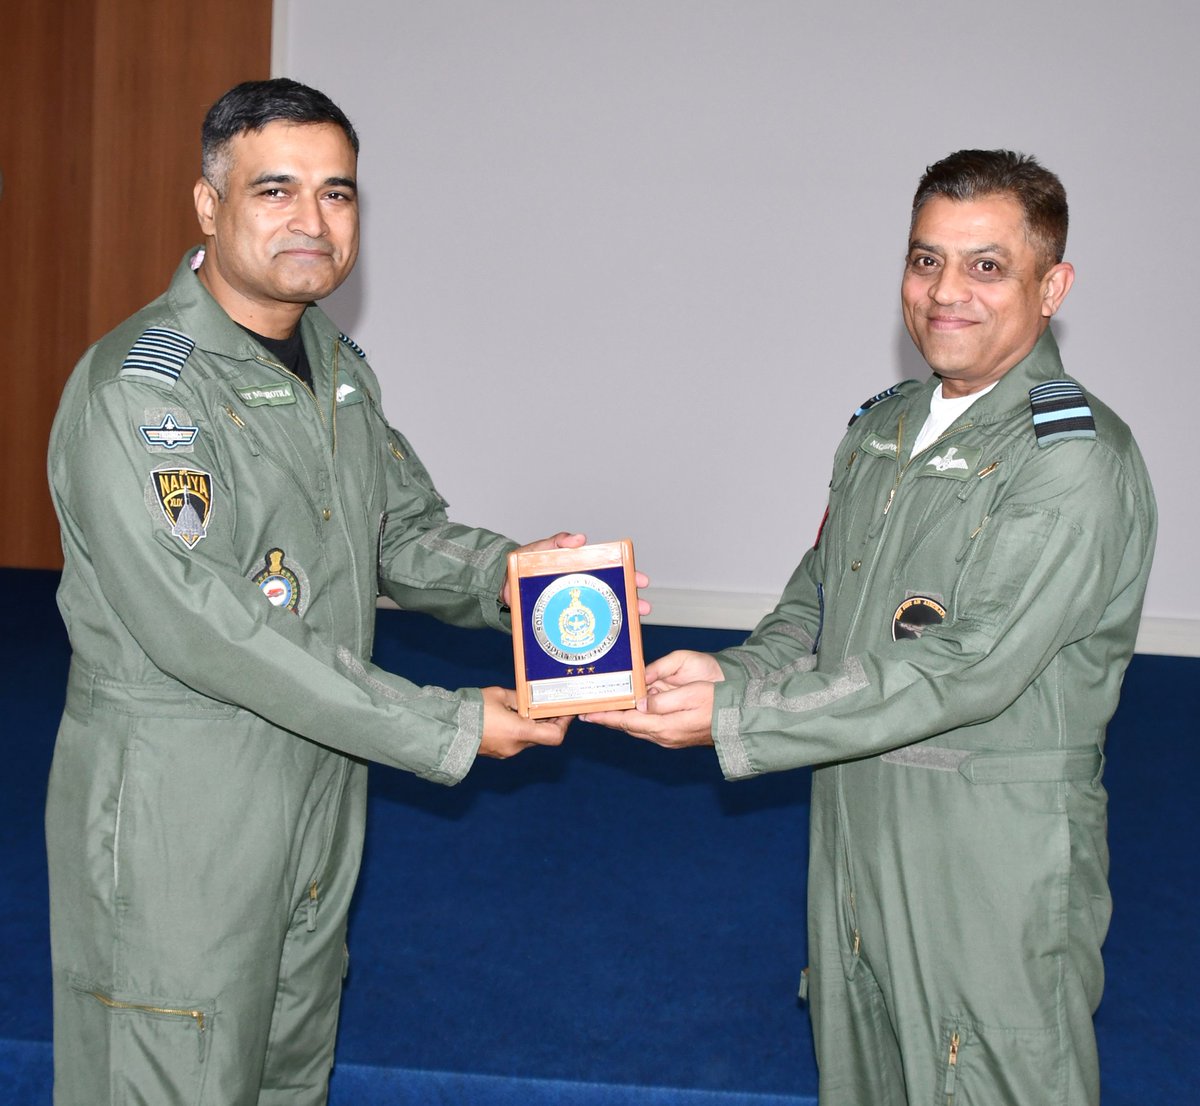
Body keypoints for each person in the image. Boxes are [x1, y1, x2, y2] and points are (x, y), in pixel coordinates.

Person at [45, 78, 625, 1105]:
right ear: (208, 205)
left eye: (339, 193)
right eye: (276, 190)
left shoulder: (334, 365)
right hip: (186, 800)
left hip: (319, 782)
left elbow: (396, 529)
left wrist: (510, 575)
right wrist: (440, 723)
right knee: (170, 1066)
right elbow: (207, 626)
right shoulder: (143, 388)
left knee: (285, 1067)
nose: (313, 221)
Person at [586, 150, 1156, 1105]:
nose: (946, 294)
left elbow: (966, 666)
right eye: (926, 260)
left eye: (986, 266)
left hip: (988, 851)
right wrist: (732, 677)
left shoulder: (1075, 459)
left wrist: (744, 722)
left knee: (987, 1077)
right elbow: (816, 603)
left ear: (1051, 286)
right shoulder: (884, 428)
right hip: (856, 818)